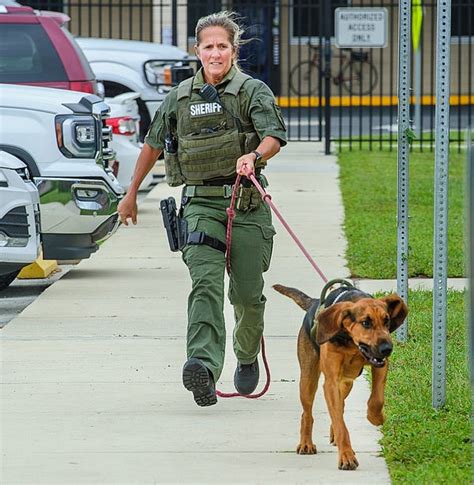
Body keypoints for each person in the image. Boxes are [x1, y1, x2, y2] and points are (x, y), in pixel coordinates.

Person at [118, 11, 287, 407]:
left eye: (222, 46)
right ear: (197, 50)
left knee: (246, 296)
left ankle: (246, 357)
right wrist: (131, 193)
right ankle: (204, 368)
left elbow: (274, 136)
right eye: (208, 46)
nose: (215, 53)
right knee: (206, 287)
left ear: (233, 49)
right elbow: (153, 143)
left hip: (245, 204)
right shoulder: (179, 97)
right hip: (199, 206)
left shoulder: (251, 91)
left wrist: (253, 155)